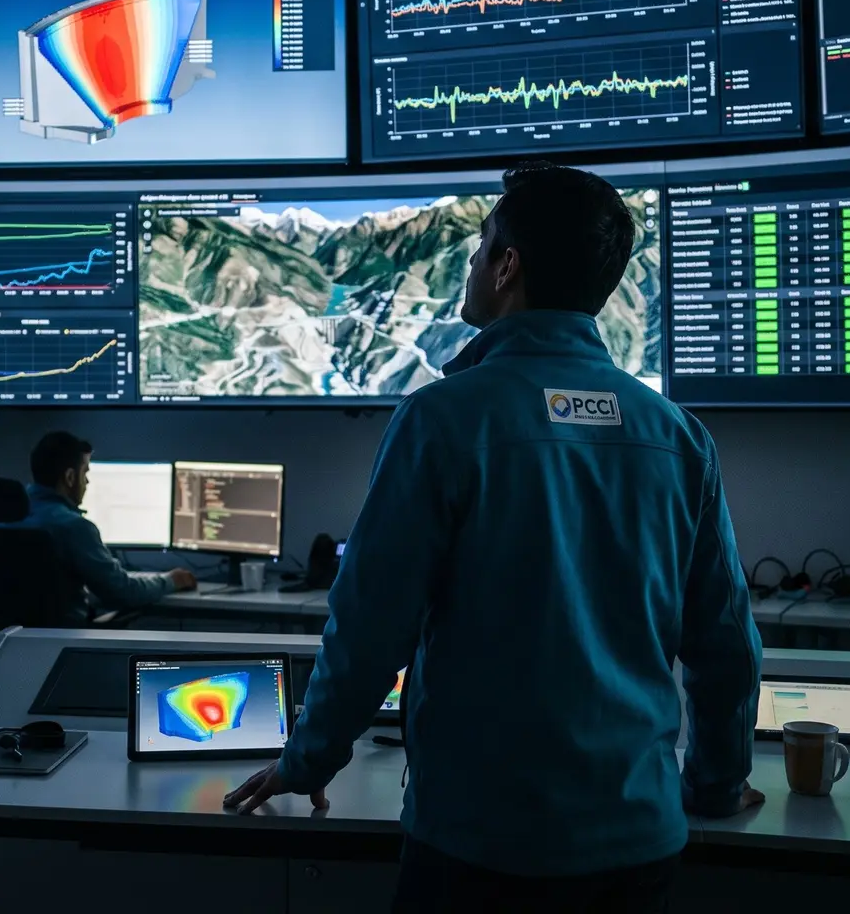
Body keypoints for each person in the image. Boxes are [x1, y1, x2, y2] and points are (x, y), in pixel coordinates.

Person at [224, 162, 763, 912]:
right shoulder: (677, 435)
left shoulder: (444, 419)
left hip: (480, 848)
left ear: (509, 266)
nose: (472, 266)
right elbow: (726, 644)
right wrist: (716, 784)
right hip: (638, 846)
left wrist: (309, 761)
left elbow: (372, 627)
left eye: (479, 251)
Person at [22, 431, 197, 623]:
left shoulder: (4, 515)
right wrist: (173, 580)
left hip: (4, 641)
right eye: (85, 472)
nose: (87, 482)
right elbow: (124, 593)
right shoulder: (74, 527)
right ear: (70, 477)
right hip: (64, 639)